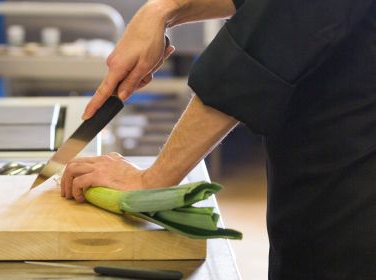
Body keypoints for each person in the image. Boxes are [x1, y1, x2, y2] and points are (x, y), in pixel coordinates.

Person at [60, 0, 376, 278]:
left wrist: (150, 181)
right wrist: (164, 9)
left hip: (353, 193)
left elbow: (269, 38)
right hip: (311, 178)